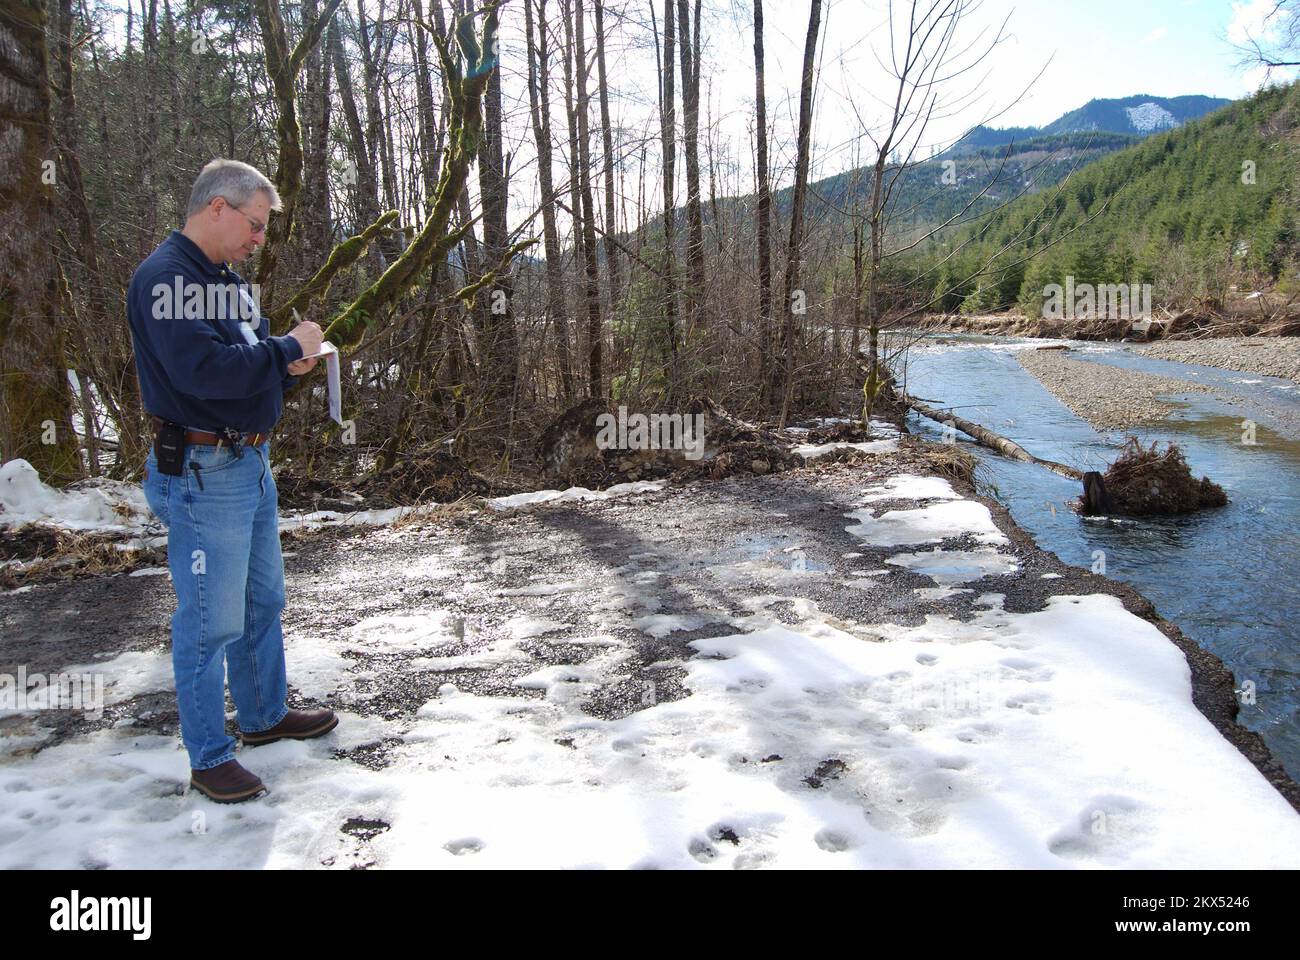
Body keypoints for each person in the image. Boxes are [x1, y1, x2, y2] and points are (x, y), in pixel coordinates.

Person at [127, 159, 338, 803]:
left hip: (246, 463)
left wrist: (286, 362)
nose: (259, 240)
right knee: (210, 620)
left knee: (262, 602)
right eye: (255, 225)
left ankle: (263, 716)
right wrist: (280, 350)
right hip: (200, 471)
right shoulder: (165, 278)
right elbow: (202, 372)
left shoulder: (223, 280)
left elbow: (241, 360)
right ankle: (208, 756)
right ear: (216, 207)